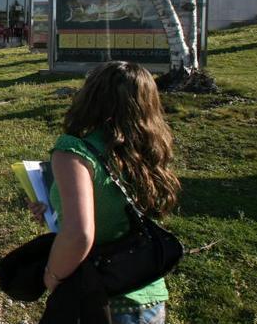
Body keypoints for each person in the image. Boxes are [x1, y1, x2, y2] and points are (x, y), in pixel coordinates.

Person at [29, 61, 180, 324]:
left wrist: (53, 276)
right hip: (150, 299)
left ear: (91, 96)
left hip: (100, 301)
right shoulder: (146, 152)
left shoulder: (74, 151)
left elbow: (80, 235)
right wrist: (54, 210)